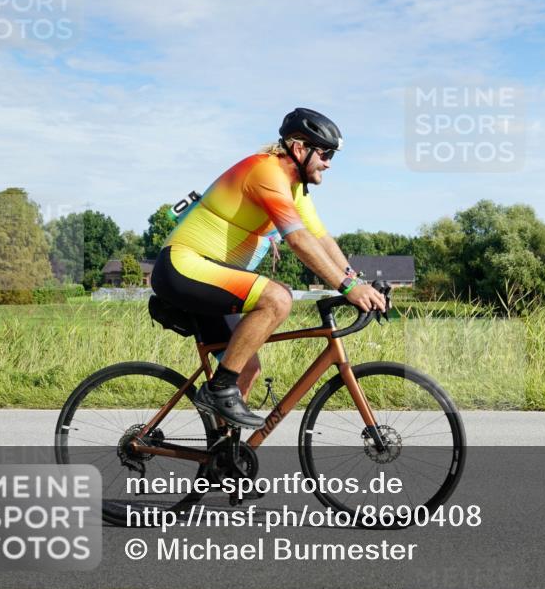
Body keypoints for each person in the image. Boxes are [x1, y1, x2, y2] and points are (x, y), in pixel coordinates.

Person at [150, 108, 386, 428]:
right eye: (326, 153)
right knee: (277, 298)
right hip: (183, 266)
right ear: (300, 148)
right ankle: (217, 390)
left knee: (246, 368)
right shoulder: (265, 172)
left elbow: (321, 238)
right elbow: (299, 240)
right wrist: (347, 288)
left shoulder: (294, 188)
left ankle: (222, 464)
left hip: (214, 275)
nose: (329, 163)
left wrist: (356, 281)